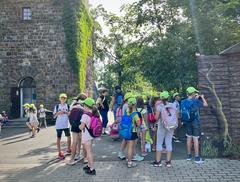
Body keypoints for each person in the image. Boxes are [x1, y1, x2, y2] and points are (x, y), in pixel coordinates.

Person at [181, 87, 208, 164]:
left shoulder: (183, 101)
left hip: (187, 121)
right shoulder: (196, 101)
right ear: (193, 93)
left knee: (189, 138)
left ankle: (189, 156)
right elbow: (206, 104)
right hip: (195, 122)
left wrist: (195, 98)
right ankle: (197, 158)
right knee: (195, 139)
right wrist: (202, 97)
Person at [152, 91, 176, 167]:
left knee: (159, 143)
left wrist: (154, 113)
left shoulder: (159, 107)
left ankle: (158, 162)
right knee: (169, 142)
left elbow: (156, 118)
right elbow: (176, 115)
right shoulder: (173, 105)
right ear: (168, 97)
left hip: (162, 126)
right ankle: (168, 162)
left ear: (161, 98)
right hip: (171, 126)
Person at [66, 93, 87, 165]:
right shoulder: (84, 104)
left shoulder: (73, 103)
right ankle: (84, 158)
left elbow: (69, 114)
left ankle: (72, 159)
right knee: (83, 140)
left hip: (74, 125)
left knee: (74, 141)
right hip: (82, 123)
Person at [79, 97, 97, 175]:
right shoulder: (94, 113)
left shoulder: (85, 115)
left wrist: (78, 126)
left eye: (83, 105)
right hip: (91, 135)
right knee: (88, 150)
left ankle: (92, 169)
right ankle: (89, 165)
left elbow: (82, 127)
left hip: (86, 135)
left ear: (86, 106)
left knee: (88, 151)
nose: (83, 107)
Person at [53, 93, 71, 160]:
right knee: (59, 138)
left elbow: (70, 115)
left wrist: (66, 113)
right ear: (60, 99)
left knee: (69, 137)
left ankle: (69, 149)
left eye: (64, 98)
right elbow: (54, 116)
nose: (63, 100)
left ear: (66, 99)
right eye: (62, 98)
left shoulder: (68, 106)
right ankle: (59, 152)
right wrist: (58, 113)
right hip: (59, 125)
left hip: (66, 125)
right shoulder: (57, 106)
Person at [125, 97, 141, 168]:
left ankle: (128, 159)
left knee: (128, 147)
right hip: (132, 131)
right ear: (135, 105)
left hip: (126, 130)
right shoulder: (135, 114)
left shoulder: (126, 111)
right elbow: (138, 124)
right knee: (131, 148)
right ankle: (130, 162)